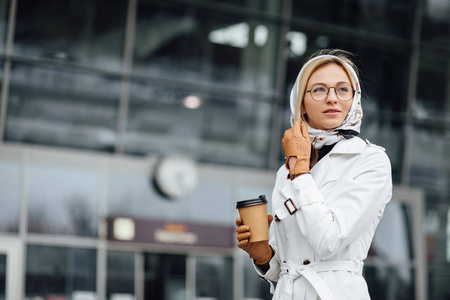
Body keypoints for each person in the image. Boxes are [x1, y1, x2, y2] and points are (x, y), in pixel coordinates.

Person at [236, 49, 392, 300]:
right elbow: (290, 268)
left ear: (355, 98)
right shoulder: (286, 170)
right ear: (301, 102)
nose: (332, 98)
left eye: (343, 89)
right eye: (319, 90)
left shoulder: (370, 160)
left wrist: (299, 172)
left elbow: (329, 242)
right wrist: (264, 255)